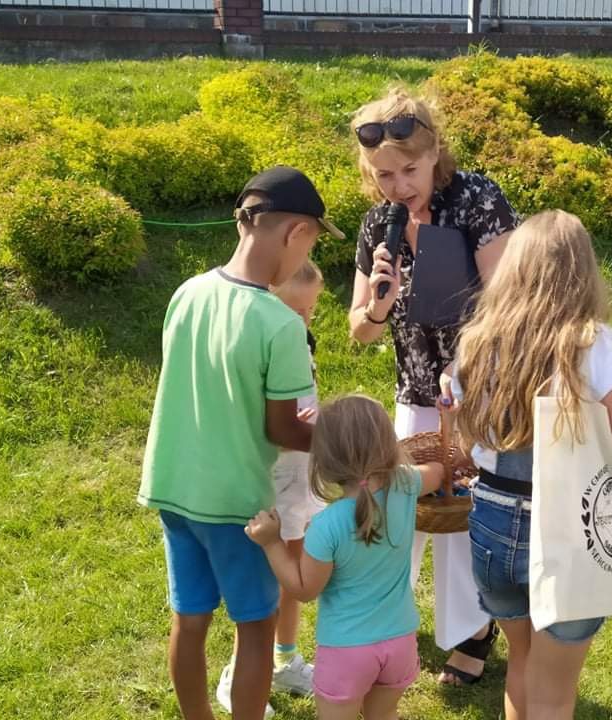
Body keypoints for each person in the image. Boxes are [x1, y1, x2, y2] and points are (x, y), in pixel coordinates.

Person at [137, 165, 344, 720]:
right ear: (297, 232)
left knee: (189, 618)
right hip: (237, 505)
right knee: (256, 625)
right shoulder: (280, 324)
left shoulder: (187, 293)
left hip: (173, 488)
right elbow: (284, 429)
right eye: (310, 245)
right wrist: (345, 439)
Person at [443, 210, 612, 720]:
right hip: (571, 528)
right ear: (584, 271)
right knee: (555, 693)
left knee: (521, 661)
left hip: (492, 522)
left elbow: (467, 443)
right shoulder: (596, 345)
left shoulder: (478, 340)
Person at [348, 87, 522, 685]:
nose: (397, 187)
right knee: (407, 507)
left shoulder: (476, 199)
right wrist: (379, 302)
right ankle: (390, 619)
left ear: (434, 154)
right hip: (415, 387)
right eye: (384, 175)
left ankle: (474, 630)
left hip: (481, 383)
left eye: (409, 171)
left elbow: (507, 302)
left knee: (467, 509)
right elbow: (360, 330)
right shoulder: (378, 225)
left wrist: (464, 363)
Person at [245, 395, 445, 720]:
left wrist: (271, 543)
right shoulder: (406, 484)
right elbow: (437, 471)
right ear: (388, 445)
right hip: (400, 641)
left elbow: (304, 590)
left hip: (346, 652)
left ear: (324, 461)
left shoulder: (326, 525)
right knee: (385, 715)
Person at [216, 260, 326, 713]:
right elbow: (255, 423)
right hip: (268, 484)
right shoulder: (261, 346)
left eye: (311, 311)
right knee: (260, 587)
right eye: (296, 311)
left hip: (299, 480)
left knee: (292, 572)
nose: (305, 320)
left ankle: (284, 660)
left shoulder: (299, 343)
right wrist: (289, 429)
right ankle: (236, 674)